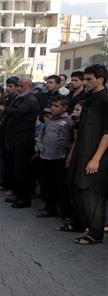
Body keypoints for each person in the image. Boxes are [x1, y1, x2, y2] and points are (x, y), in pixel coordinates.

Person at [67, 64, 108, 245]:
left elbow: (107, 133)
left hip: (95, 156)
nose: (85, 82)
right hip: (80, 153)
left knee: (94, 195)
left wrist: (96, 158)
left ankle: (95, 233)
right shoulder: (88, 99)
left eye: (89, 79)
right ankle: (82, 225)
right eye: (84, 79)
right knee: (78, 189)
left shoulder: (105, 100)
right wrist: (72, 153)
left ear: (101, 80)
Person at [0, 78, 40, 208]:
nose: (18, 88)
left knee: (22, 170)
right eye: (17, 86)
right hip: (14, 139)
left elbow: (18, 112)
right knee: (15, 169)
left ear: (28, 86)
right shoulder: (20, 98)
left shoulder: (30, 100)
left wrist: (0, 107)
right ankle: (19, 195)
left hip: (23, 140)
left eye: (20, 86)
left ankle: (25, 198)